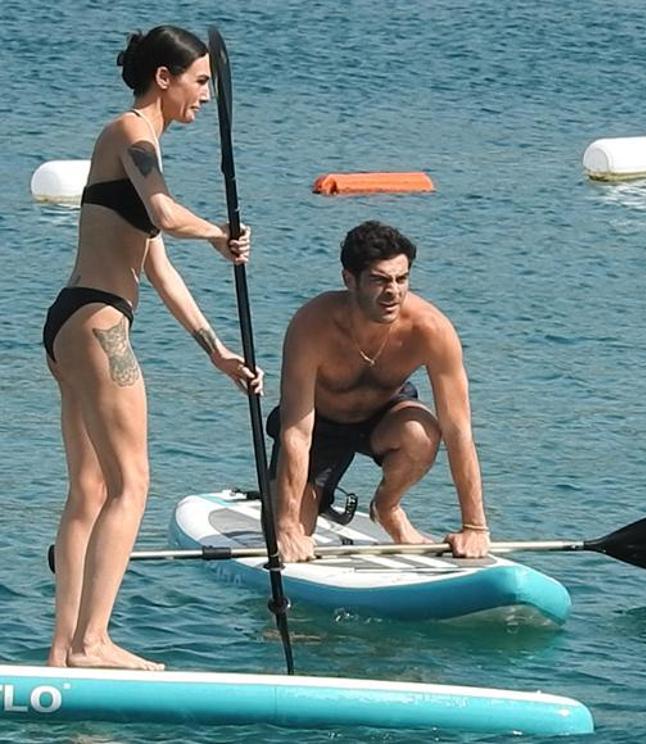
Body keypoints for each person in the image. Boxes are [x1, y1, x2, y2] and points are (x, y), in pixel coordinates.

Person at [44, 26, 262, 671]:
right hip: (97, 324)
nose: (205, 96)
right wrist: (218, 234)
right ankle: (92, 642)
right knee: (131, 483)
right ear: (164, 79)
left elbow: (159, 269)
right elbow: (166, 215)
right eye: (199, 82)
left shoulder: (138, 151)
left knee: (89, 490)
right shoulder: (131, 132)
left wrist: (216, 352)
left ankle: (62, 650)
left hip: (72, 322)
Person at [269, 220, 490, 563]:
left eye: (401, 279)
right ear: (349, 279)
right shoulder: (312, 326)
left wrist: (474, 526)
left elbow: (458, 429)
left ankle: (387, 507)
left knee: (421, 433)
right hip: (320, 427)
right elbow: (297, 432)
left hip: (383, 418)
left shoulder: (431, 329)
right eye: (379, 280)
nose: (393, 292)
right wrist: (286, 528)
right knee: (290, 531)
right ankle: (301, 502)